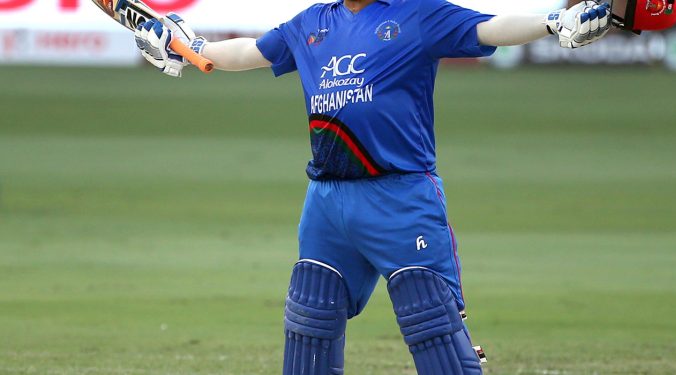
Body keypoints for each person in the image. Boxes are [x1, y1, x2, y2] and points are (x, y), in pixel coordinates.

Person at [134, 1, 610, 373]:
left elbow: (489, 27)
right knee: (309, 330)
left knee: (435, 330)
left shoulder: (418, 14)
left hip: (400, 197)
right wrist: (187, 46)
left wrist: (553, 22)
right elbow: (250, 52)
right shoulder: (312, 23)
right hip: (326, 201)